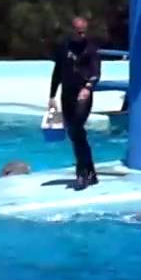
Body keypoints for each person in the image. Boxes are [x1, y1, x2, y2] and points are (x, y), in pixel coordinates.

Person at [49, 16, 102, 190]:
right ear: (71, 31)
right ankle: (91, 171)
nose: (82, 35)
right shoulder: (63, 47)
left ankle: (82, 173)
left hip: (83, 95)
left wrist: (88, 87)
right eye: (79, 32)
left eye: (84, 32)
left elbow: (96, 72)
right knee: (74, 134)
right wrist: (52, 96)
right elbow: (57, 71)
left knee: (77, 127)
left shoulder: (91, 48)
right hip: (67, 95)